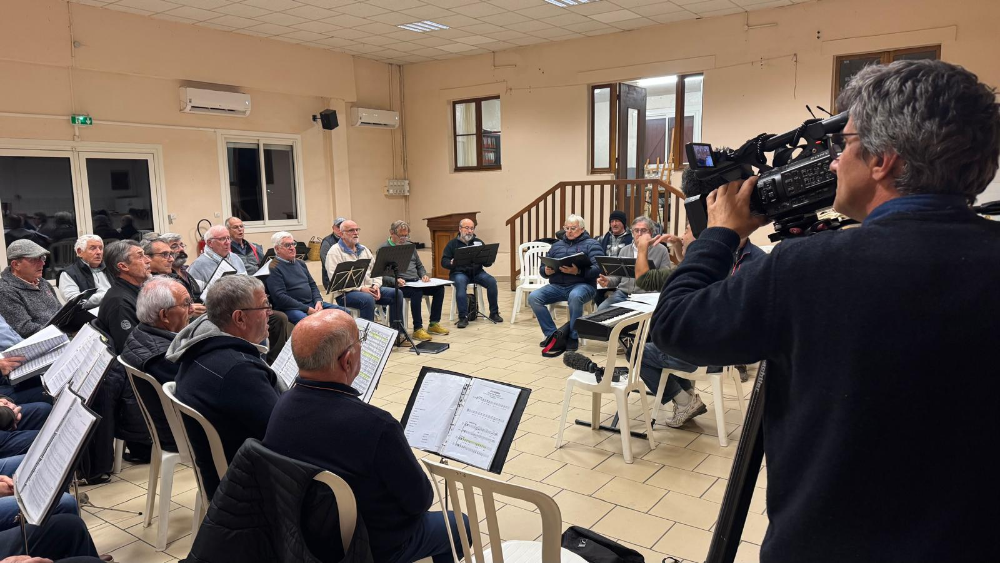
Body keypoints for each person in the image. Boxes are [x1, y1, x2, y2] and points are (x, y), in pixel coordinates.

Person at [650, 60, 1000, 562]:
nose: (832, 164)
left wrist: (720, 234)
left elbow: (676, 326)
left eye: (843, 145)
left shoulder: (806, 268)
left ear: (882, 160)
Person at [263, 310, 470, 563]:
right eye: (359, 340)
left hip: (302, 536)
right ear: (348, 361)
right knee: (459, 525)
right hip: (366, 546)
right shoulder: (377, 425)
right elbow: (420, 500)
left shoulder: (281, 404)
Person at [168, 275, 280, 498]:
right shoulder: (238, 371)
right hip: (247, 487)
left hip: (225, 470)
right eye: (264, 305)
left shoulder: (201, 347)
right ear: (239, 318)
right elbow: (281, 433)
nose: (270, 312)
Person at [186, 227, 291, 362]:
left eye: (228, 238)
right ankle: (253, 362)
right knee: (256, 321)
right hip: (222, 313)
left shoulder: (235, 258)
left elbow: (246, 284)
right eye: (222, 239)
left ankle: (271, 362)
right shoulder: (199, 265)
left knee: (277, 318)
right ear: (210, 243)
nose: (227, 242)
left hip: (245, 307)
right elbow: (197, 299)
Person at [119, 277, 192, 453]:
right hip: (178, 434)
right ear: (164, 315)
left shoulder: (142, 331)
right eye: (186, 304)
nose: (192, 309)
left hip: (165, 425)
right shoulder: (164, 357)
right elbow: (198, 394)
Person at [527, 214, 603, 350]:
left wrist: (578, 272)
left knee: (575, 296)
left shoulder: (592, 244)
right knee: (534, 297)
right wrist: (546, 271)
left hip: (583, 285)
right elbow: (542, 268)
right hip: (557, 286)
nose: (569, 231)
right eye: (566, 228)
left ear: (582, 229)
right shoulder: (556, 246)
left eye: (573, 228)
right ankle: (553, 335)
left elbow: (599, 268)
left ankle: (573, 337)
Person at [381, 220, 449, 341]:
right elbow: (381, 275)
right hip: (400, 284)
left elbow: (419, 266)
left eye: (406, 235)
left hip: (416, 281)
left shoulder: (410, 246)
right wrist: (395, 280)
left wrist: (424, 275)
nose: (404, 238)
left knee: (439, 289)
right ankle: (418, 328)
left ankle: (434, 323)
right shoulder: (384, 249)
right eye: (401, 236)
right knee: (416, 293)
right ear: (391, 233)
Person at [324, 220, 399, 323]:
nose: (356, 233)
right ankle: (367, 332)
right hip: (346, 293)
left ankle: (397, 330)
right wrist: (361, 289)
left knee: (397, 293)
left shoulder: (364, 249)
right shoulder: (334, 252)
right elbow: (336, 280)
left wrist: (376, 285)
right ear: (341, 234)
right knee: (367, 299)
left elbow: (376, 271)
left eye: (357, 230)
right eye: (351, 230)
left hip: (369, 289)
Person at [265, 232, 346, 324]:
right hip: (292, 308)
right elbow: (280, 297)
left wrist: (318, 301)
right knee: (312, 323)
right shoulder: (273, 268)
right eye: (287, 245)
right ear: (277, 249)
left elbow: (312, 285)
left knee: (344, 313)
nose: (292, 248)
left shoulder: (300, 263)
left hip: (312, 304)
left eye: (293, 244)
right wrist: (307, 309)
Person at [596, 216, 670, 311]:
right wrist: (608, 281)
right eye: (636, 230)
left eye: (643, 230)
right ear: (632, 233)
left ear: (651, 233)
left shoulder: (661, 250)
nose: (639, 234)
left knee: (635, 317)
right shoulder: (625, 250)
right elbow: (618, 277)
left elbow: (664, 280)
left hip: (647, 295)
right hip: (623, 293)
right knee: (601, 309)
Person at [440, 218, 502, 328]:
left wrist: (488, 259)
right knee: (460, 284)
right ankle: (463, 317)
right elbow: (444, 262)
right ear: (460, 229)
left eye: (472, 228)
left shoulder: (478, 242)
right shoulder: (452, 244)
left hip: (477, 272)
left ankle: (494, 313)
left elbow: (486, 263)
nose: (469, 231)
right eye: (467, 228)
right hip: (459, 273)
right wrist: (451, 263)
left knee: (492, 281)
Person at [97, 240, 150, 354]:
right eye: (140, 256)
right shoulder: (119, 303)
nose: (148, 260)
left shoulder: (137, 290)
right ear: (123, 266)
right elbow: (132, 349)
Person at [0, 240, 61, 338]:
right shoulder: (5, 291)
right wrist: (62, 332)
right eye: (34, 260)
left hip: (60, 334)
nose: (42, 263)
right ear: (16, 265)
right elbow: (24, 329)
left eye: (42, 258)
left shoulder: (42, 282)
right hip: (42, 342)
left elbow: (60, 310)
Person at [159, 233, 206, 317]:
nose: (181, 249)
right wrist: (188, 310)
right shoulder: (164, 279)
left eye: (181, 245)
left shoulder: (186, 271)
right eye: (174, 246)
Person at [58, 235, 111, 310]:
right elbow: (75, 302)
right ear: (79, 252)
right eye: (93, 248)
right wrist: (110, 294)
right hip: (90, 315)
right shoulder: (68, 274)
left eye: (100, 248)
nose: (99, 252)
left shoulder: (111, 268)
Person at [319, 217, 346, 290]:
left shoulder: (349, 239)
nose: (340, 229)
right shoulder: (327, 242)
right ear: (333, 228)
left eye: (343, 227)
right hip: (331, 278)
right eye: (338, 227)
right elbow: (327, 263)